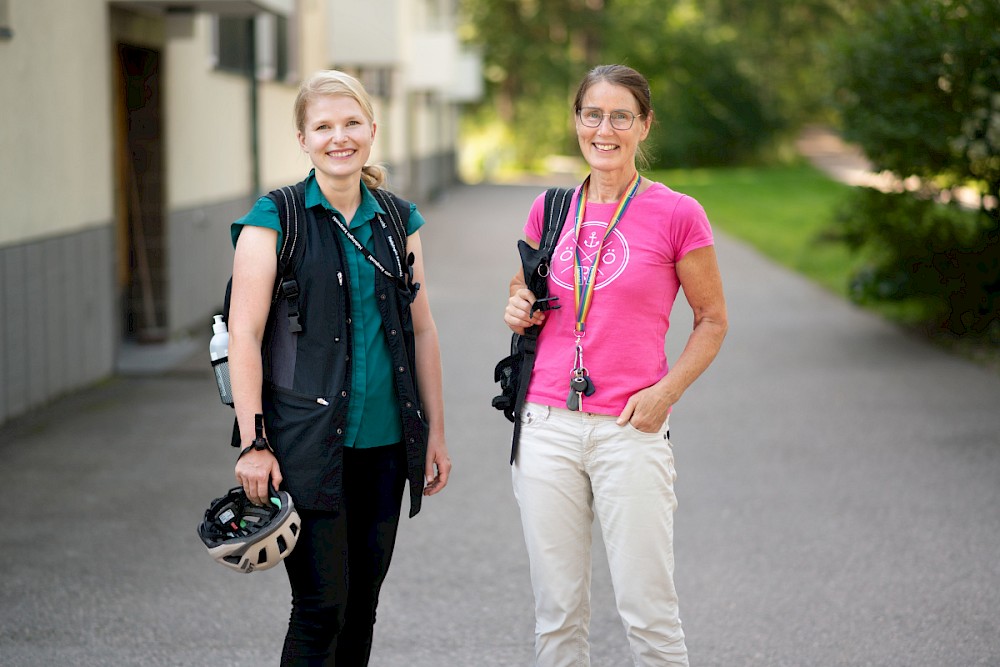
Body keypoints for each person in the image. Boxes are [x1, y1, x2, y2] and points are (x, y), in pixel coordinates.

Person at [503, 64, 728, 666]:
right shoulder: (550, 208)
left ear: (644, 125)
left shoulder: (678, 213)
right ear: (577, 121)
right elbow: (525, 290)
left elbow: (712, 320)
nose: (605, 129)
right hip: (546, 424)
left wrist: (664, 394)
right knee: (557, 616)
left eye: (620, 116)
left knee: (648, 613)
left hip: (632, 427)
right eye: (592, 115)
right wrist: (518, 304)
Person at [228, 69, 451, 666]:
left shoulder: (400, 220)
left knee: (362, 606)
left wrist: (433, 433)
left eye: (351, 123)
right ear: (302, 138)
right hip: (306, 445)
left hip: (385, 444)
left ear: (372, 131)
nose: (339, 137)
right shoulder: (273, 219)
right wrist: (254, 444)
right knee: (320, 606)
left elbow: (422, 329)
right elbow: (244, 337)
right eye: (323, 126)